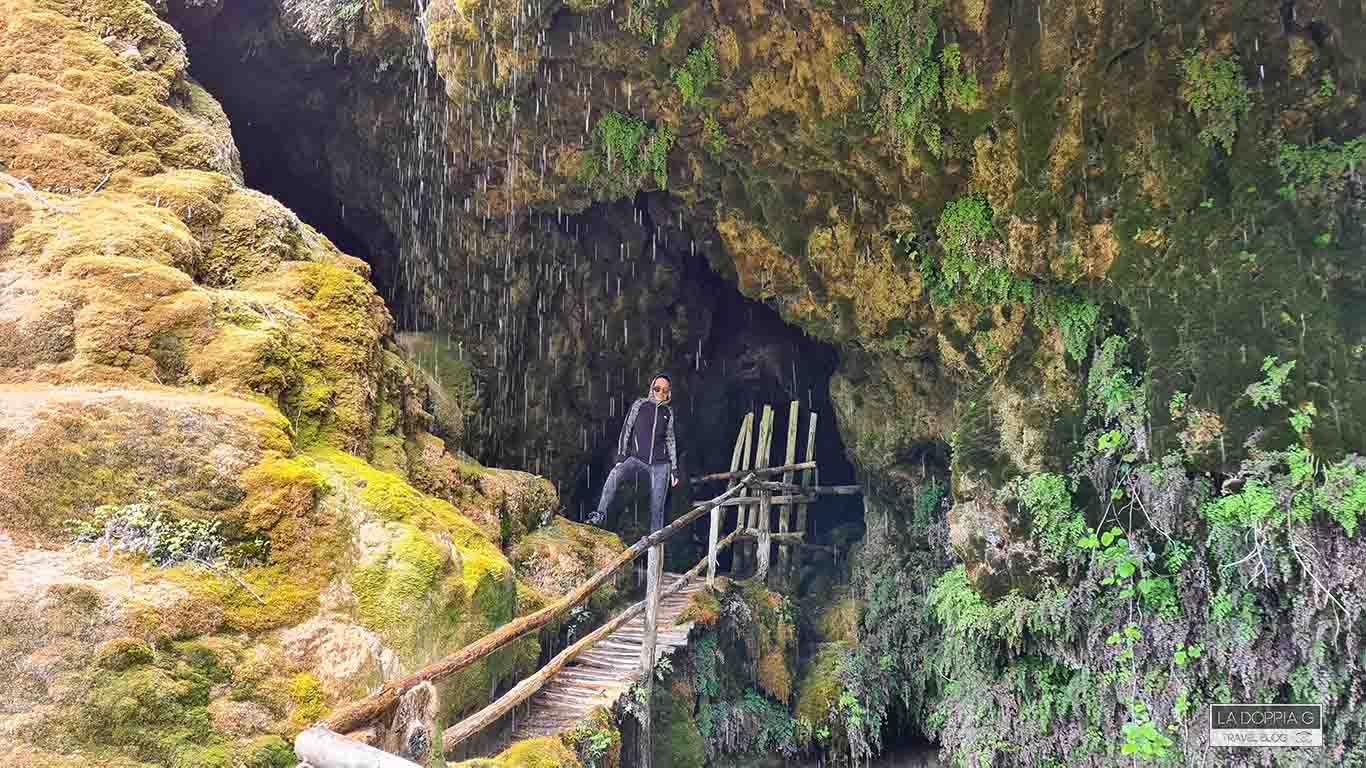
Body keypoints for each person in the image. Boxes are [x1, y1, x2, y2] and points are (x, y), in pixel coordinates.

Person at [589, 374, 680, 532]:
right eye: (657, 388)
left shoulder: (668, 412)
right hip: (637, 459)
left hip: (661, 464)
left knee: (657, 508)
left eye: (664, 390)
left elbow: (670, 440)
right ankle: (599, 515)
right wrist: (620, 456)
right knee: (615, 474)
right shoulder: (640, 404)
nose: (660, 393)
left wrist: (674, 469)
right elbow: (626, 429)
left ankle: (655, 548)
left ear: (669, 393)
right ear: (652, 389)